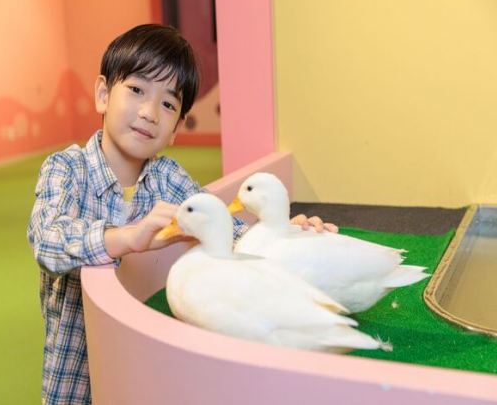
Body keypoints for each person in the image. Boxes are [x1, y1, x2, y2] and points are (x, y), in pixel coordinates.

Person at [27, 23, 336, 405]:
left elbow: (228, 230)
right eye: (137, 90)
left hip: (144, 369)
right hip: (75, 373)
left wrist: (284, 236)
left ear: (176, 128)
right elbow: (47, 239)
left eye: (168, 104)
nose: (149, 112)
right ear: (103, 94)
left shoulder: (167, 177)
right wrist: (129, 237)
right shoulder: (65, 168)